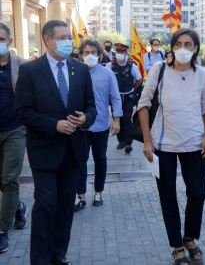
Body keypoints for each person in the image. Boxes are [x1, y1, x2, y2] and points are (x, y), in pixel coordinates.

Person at [14, 20, 97, 265]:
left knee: (64, 207)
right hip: (44, 151)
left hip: (73, 151)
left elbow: (92, 107)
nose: (67, 42)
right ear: (47, 40)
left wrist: (85, 119)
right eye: (61, 37)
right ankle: (39, 259)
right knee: (45, 204)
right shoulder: (30, 70)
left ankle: (58, 254)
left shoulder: (80, 69)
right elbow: (21, 111)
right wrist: (54, 124)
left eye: (68, 37)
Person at [138, 28, 205, 265]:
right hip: (163, 145)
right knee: (168, 196)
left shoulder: (201, 74)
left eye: (188, 44)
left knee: (197, 193)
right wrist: (147, 141)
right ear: (171, 47)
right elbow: (143, 104)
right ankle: (177, 245)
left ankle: (189, 237)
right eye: (178, 43)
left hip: (195, 143)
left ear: (195, 48)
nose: (183, 48)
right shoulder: (159, 70)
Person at [74, 39, 122, 211]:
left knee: (100, 158)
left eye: (93, 52)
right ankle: (80, 196)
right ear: (80, 55)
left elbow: (116, 98)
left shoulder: (107, 74)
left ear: (100, 54)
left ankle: (98, 192)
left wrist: (116, 120)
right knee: (80, 160)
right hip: (80, 124)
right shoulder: (75, 72)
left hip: (101, 123)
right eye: (86, 52)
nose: (90, 55)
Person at [0, 22, 29, 254]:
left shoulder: (22, 65)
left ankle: (2, 230)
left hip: (15, 129)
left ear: (9, 41)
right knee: (2, 180)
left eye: (1, 39)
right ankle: (18, 207)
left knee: (10, 178)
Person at [106, 43, 142, 153]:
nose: (120, 54)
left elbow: (139, 79)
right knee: (118, 118)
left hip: (128, 96)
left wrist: (133, 90)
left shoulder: (131, 65)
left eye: (122, 52)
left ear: (126, 53)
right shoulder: (110, 65)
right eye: (118, 52)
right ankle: (121, 140)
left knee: (127, 119)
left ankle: (128, 142)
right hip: (115, 97)